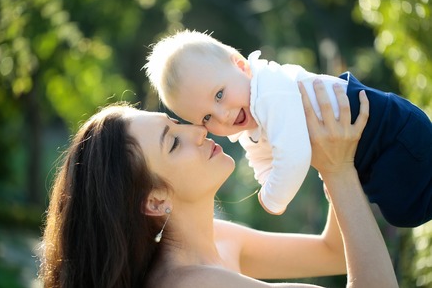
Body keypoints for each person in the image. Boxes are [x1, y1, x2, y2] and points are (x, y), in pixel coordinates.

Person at [39, 82, 398, 288]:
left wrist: (328, 152)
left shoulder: (220, 240)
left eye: (174, 123)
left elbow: (334, 251)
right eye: (173, 142)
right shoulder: (190, 285)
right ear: (155, 200)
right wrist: (339, 171)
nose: (197, 129)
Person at [144, 29, 432, 227]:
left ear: (242, 67)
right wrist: (267, 183)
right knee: (403, 209)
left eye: (219, 95)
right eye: (206, 118)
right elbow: (262, 160)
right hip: (370, 148)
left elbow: (294, 156)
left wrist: (273, 198)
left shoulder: (269, 91)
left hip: (388, 129)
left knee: (410, 205)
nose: (223, 115)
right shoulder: (250, 122)